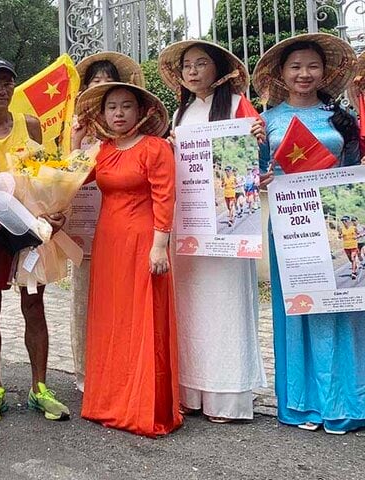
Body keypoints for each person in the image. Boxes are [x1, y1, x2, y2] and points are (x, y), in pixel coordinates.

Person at [254, 33, 365, 434]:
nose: (304, 73)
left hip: (335, 224)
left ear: (325, 72)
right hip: (290, 226)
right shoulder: (264, 122)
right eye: (295, 66)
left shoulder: (342, 119)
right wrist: (263, 177)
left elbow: (354, 170)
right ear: (281, 73)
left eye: (312, 66)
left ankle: (344, 403)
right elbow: (256, 173)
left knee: (342, 306)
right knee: (299, 307)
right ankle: (301, 404)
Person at [158, 39, 267, 423]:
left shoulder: (238, 106)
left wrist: (258, 138)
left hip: (228, 227)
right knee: (190, 307)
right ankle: (191, 389)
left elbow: (260, 157)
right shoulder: (179, 114)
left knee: (226, 305)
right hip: (189, 225)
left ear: (217, 69)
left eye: (200, 63)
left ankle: (226, 396)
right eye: (186, 65)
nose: (191, 71)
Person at [0, 58, 70, 422]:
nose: (1, 89)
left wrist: (56, 211)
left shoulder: (32, 126)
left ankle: (40, 388)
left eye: (7, 83)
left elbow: (48, 175)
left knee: (34, 307)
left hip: (29, 232)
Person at [75, 81, 181, 436]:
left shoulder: (155, 148)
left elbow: (165, 197)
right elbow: (69, 177)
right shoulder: (102, 151)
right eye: (111, 108)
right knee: (112, 318)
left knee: (142, 319)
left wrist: (159, 245)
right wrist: (76, 139)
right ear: (103, 115)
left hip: (143, 242)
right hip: (108, 244)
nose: (119, 114)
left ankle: (142, 406)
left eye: (126, 106)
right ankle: (107, 402)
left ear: (141, 112)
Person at [68, 52, 144, 392]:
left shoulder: (132, 134)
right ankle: (86, 372)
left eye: (108, 82)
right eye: (95, 84)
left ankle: (123, 368)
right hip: (84, 225)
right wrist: (74, 140)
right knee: (85, 301)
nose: (103, 90)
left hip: (126, 227)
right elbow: (68, 175)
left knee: (123, 300)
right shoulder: (75, 129)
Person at [338, 216, 359, 280]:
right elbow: (339, 236)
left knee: (353, 258)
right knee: (351, 260)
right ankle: (355, 265)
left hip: (353, 245)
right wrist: (340, 236)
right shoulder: (341, 229)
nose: (343, 222)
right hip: (346, 246)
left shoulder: (354, 228)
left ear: (348, 221)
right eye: (342, 221)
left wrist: (356, 237)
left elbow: (358, 234)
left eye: (344, 221)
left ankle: (353, 273)